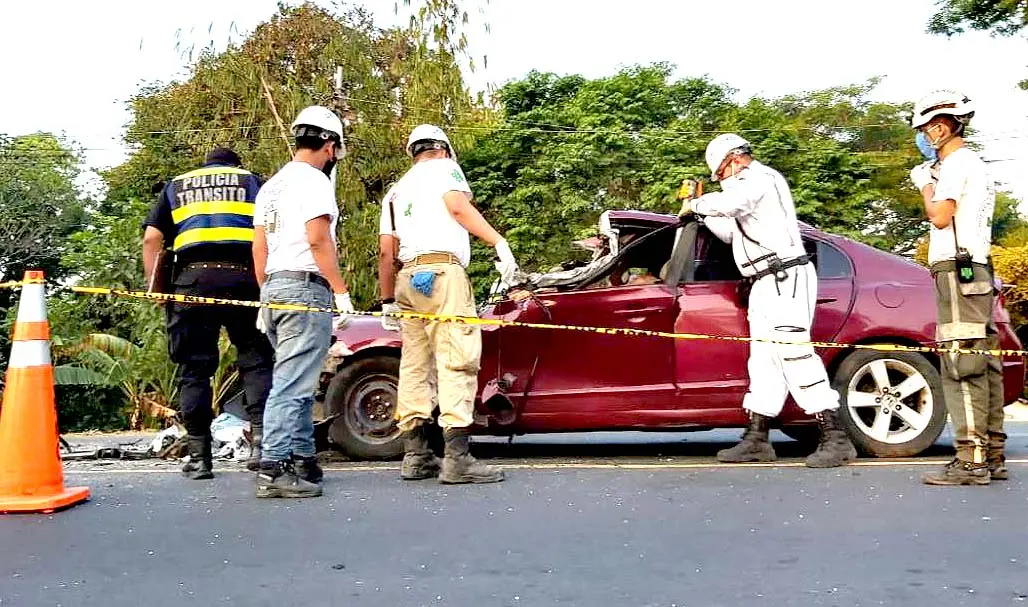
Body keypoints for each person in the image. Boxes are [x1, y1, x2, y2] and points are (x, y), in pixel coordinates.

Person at [680, 133, 858, 468]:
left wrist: (697, 203)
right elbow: (732, 231)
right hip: (762, 281)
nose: (723, 180)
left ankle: (835, 436)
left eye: (720, 173)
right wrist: (701, 216)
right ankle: (757, 437)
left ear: (734, 160)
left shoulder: (761, 179)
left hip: (785, 275)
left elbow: (733, 203)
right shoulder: (744, 192)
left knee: (794, 352)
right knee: (763, 359)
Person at [378, 124, 520, 484]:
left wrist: (387, 300)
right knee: (458, 357)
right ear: (442, 148)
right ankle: (457, 458)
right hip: (444, 273)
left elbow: (385, 251)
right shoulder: (444, 168)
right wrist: (497, 241)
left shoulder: (396, 190)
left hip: (408, 279)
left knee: (414, 364)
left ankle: (415, 455)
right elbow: (458, 207)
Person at [142, 147, 273, 480]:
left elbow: (152, 238)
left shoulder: (178, 185)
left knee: (195, 369)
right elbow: (271, 233)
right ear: (236, 164)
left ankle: (200, 458)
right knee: (255, 358)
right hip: (245, 278)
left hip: (192, 281)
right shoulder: (253, 182)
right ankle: (260, 445)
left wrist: (155, 287)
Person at [252, 106, 355, 498]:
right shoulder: (314, 182)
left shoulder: (272, 187)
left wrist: (265, 295)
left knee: (297, 377)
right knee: (292, 384)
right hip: (305, 288)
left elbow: (259, 247)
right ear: (330, 146)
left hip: (275, 288)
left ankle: (303, 459)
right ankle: (274, 467)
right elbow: (317, 239)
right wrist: (340, 291)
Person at [909, 90, 1004, 486]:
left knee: (960, 363)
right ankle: (993, 454)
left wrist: (924, 185)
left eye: (926, 128)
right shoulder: (975, 165)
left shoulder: (954, 164)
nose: (924, 136)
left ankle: (971, 461)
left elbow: (940, 217)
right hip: (977, 269)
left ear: (942, 125)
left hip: (956, 271)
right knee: (986, 362)